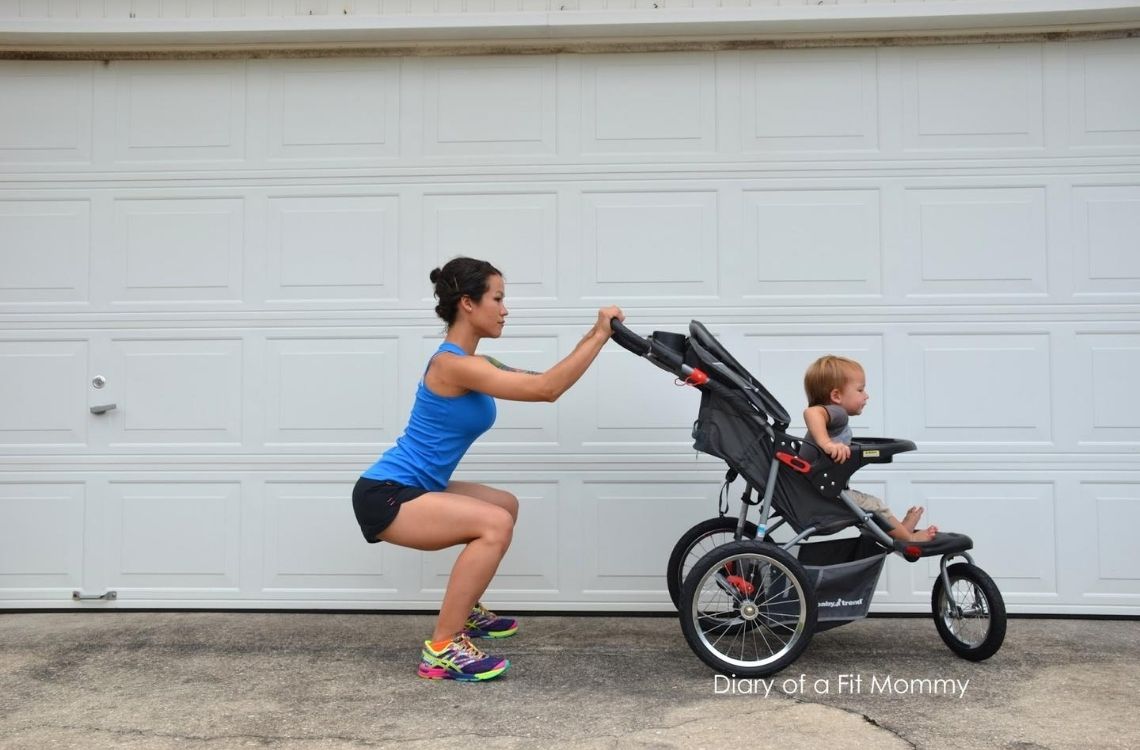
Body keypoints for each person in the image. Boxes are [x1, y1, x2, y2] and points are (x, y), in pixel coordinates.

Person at [352, 256, 624, 682]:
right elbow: (546, 389)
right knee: (494, 524)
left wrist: (594, 334)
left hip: (414, 486)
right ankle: (442, 648)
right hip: (385, 494)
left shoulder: (479, 364)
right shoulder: (452, 365)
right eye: (497, 298)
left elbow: (546, 377)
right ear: (467, 303)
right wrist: (600, 336)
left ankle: (467, 611)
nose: (505, 309)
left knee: (504, 505)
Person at [802, 355, 937, 543]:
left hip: (817, 491)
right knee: (873, 505)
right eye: (860, 389)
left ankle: (900, 530)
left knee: (868, 506)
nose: (866, 395)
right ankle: (908, 537)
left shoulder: (833, 418)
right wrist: (827, 444)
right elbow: (811, 412)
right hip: (824, 494)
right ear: (836, 396)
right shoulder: (837, 412)